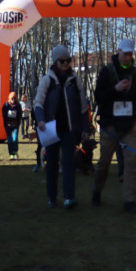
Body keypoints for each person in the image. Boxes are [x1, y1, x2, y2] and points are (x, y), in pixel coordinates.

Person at [34, 44, 91, 209]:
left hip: (69, 130)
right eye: (62, 61)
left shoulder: (76, 81)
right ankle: (52, 197)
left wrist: (85, 129)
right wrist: (40, 120)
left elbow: (82, 107)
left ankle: (69, 197)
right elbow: (39, 103)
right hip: (51, 129)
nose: (66, 64)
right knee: (51, 163)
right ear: (55, 62)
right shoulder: (47, 80)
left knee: (69, 162)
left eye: (68, 60)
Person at [92, 38, 136, 214]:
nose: (128, 57)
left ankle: (130, 200)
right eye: (125, 53)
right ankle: (97, 191)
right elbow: (98, 97)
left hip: (129, 124)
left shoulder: (135, 73)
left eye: (130, 54)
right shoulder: (106, 71)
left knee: (131, 163)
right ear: (118, 51)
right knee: (104, 162)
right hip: (110, 124)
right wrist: (115, 89)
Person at [2, 91, 23, 160]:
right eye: (11, 98)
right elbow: (3, 114)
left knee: (15, 139)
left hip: (15, 125)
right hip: (8, 125)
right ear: (9, 98)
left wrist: (18, 122)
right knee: (10, 140)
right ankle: (11, 154)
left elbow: (20, 115)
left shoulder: (18, 106)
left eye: (14, 98)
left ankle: (15, 152)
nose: (13, 100)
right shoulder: (6, 106)